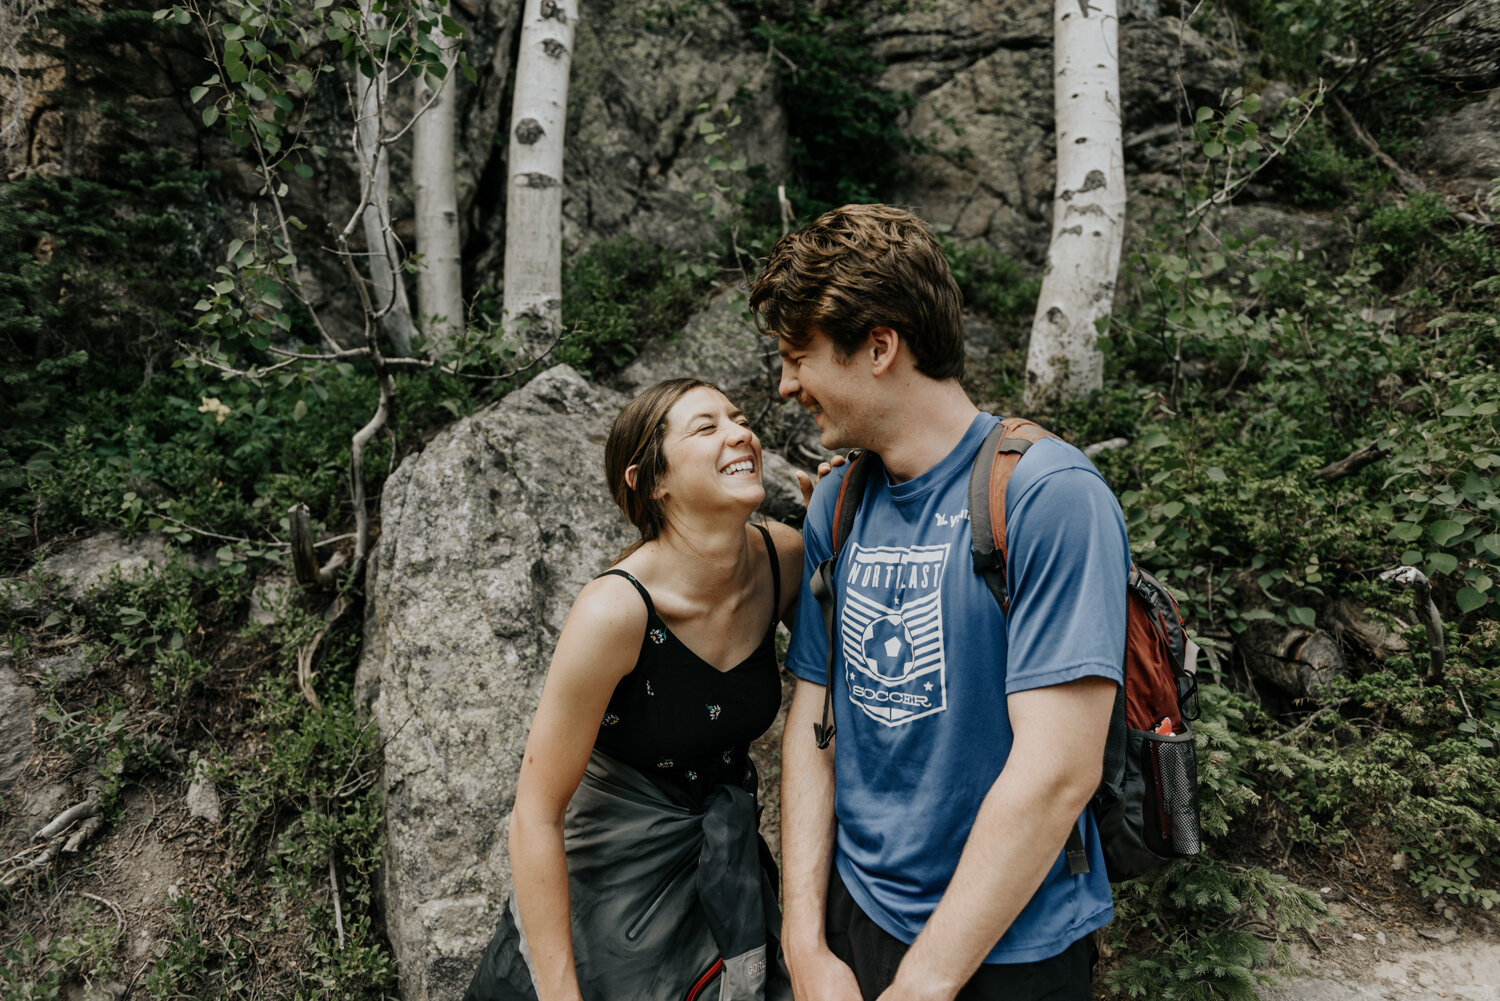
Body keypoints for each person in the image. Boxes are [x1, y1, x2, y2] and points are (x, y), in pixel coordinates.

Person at [749, 204, 1130, 1001]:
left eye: (799, 356)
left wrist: (925, 981)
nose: (785, 385)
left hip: (1010, 946)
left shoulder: (1047, 494)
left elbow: (1058, 771)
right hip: (858, 922)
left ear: (880, 346)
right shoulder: (837, 503)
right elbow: (814, 726)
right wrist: (806, 942)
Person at [464, 379, 801, 1001]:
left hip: (721, 872)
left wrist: (850, 509)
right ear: (652, 481)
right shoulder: (615, 612)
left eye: (739, 417)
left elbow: (849, 677)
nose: (741, 433)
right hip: (606, 883)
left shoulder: (783, 559)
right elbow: (534, 815)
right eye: (707, 428)